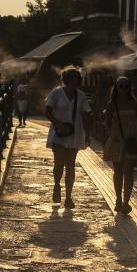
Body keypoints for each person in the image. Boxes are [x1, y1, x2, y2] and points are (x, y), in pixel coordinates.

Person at [44, 67, 93, 209]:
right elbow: (47, 111)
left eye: (76, 79)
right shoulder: (56, 93)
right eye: (71, 78)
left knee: (71, 166)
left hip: (75, 133)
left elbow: (85, 114)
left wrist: (88, 134)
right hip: (59, 133)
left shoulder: (81, 96)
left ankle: (69, 197)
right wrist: (58, 123)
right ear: (66, 79)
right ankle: (57, 185)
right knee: (58, 164)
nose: (73, 81)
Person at [103, 76, 137, 214]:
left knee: (128, 172)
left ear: (130, 88)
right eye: (120, 86)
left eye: (126, 86)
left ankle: (126, 201)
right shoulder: (112, 104)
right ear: (116, 88)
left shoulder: (136, 104)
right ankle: (118, 199)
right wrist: (112, 134)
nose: (123, 89)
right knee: (118, 171)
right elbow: (107, 123)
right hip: (117, 141)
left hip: (131, 140)